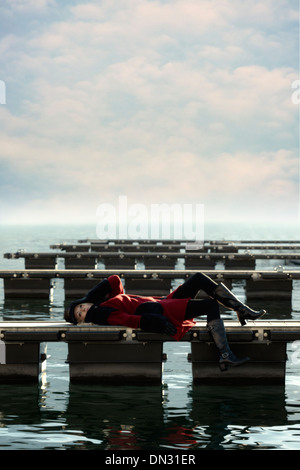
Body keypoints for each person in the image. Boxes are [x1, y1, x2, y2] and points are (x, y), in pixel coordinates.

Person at [64, 272, 266, 372]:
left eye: (80, 307)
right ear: (84, 321)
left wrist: (88, 297)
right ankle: (225, 355)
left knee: (199, 279)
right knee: (210, 306)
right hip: (162, 312)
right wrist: (156, 322)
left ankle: (242, 310)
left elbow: (114, 281)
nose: (83, 310)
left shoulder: (103, 303)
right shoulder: (101, 314)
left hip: (162, 303)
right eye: (80, 314)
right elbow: (128, 319)